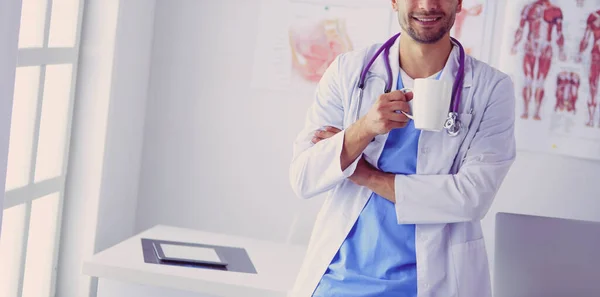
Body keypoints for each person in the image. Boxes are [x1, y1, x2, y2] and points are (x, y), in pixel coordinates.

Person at [288, 0, 516, 297]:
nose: (427, 5)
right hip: (337, 283)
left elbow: (471, 198)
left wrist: (365, 174)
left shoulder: (491, 88)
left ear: (459, 2)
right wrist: (364, 128)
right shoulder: (349, 71)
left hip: (430, 284)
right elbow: (303, 178)